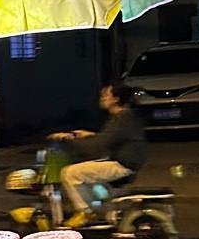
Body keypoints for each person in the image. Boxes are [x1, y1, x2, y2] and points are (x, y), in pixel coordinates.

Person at [51, 83, 146, 225]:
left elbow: (97, 146)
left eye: (105, 95)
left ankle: (85, 213)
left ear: (115, 99)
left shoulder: (122, 118)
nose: (101, 99)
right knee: (88, 175)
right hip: (126, 161)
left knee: (69, 173)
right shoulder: (124, 116)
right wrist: (89, 135)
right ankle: (102, 211)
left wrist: (67, 139)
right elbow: (111, 137)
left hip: (122, 163)